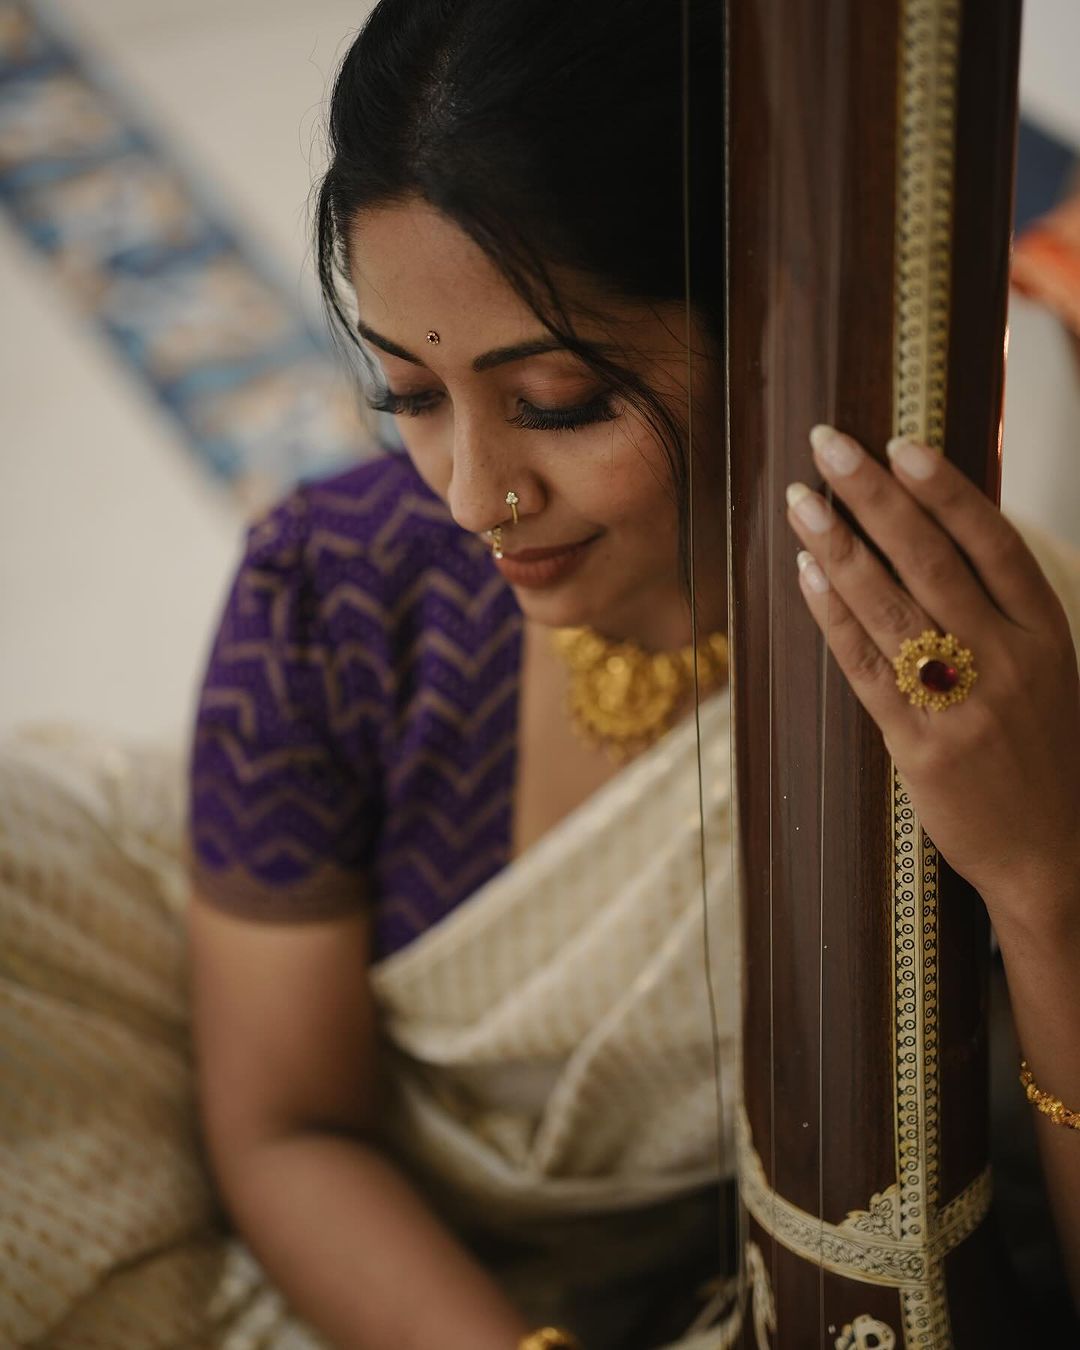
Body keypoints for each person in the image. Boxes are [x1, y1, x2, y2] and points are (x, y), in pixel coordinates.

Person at [3, 0, 1076, 1346]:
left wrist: (1044, 877)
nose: (471, 494)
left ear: (759, 325)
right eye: (407, 394)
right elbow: (285, 1123)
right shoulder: (334, 590)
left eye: (558, 402)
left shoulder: (966, 662)